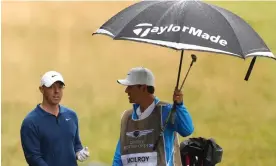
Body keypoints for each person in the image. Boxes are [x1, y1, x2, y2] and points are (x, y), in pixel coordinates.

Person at [112, 67, 194, 166]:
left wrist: (179, 105)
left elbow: (187, 130)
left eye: (130, 87)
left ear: (143, 88)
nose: (126, 90)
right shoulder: (127, 116)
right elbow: (119, 156)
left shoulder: (166, 111)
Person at [20, 71, 90, 166]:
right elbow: (34, 158)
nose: (56, 91)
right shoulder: (31, 122)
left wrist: (79, 153)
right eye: (51, 87)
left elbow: (76, 144)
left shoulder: (71, 115)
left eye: (60, 87)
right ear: (41, 89)